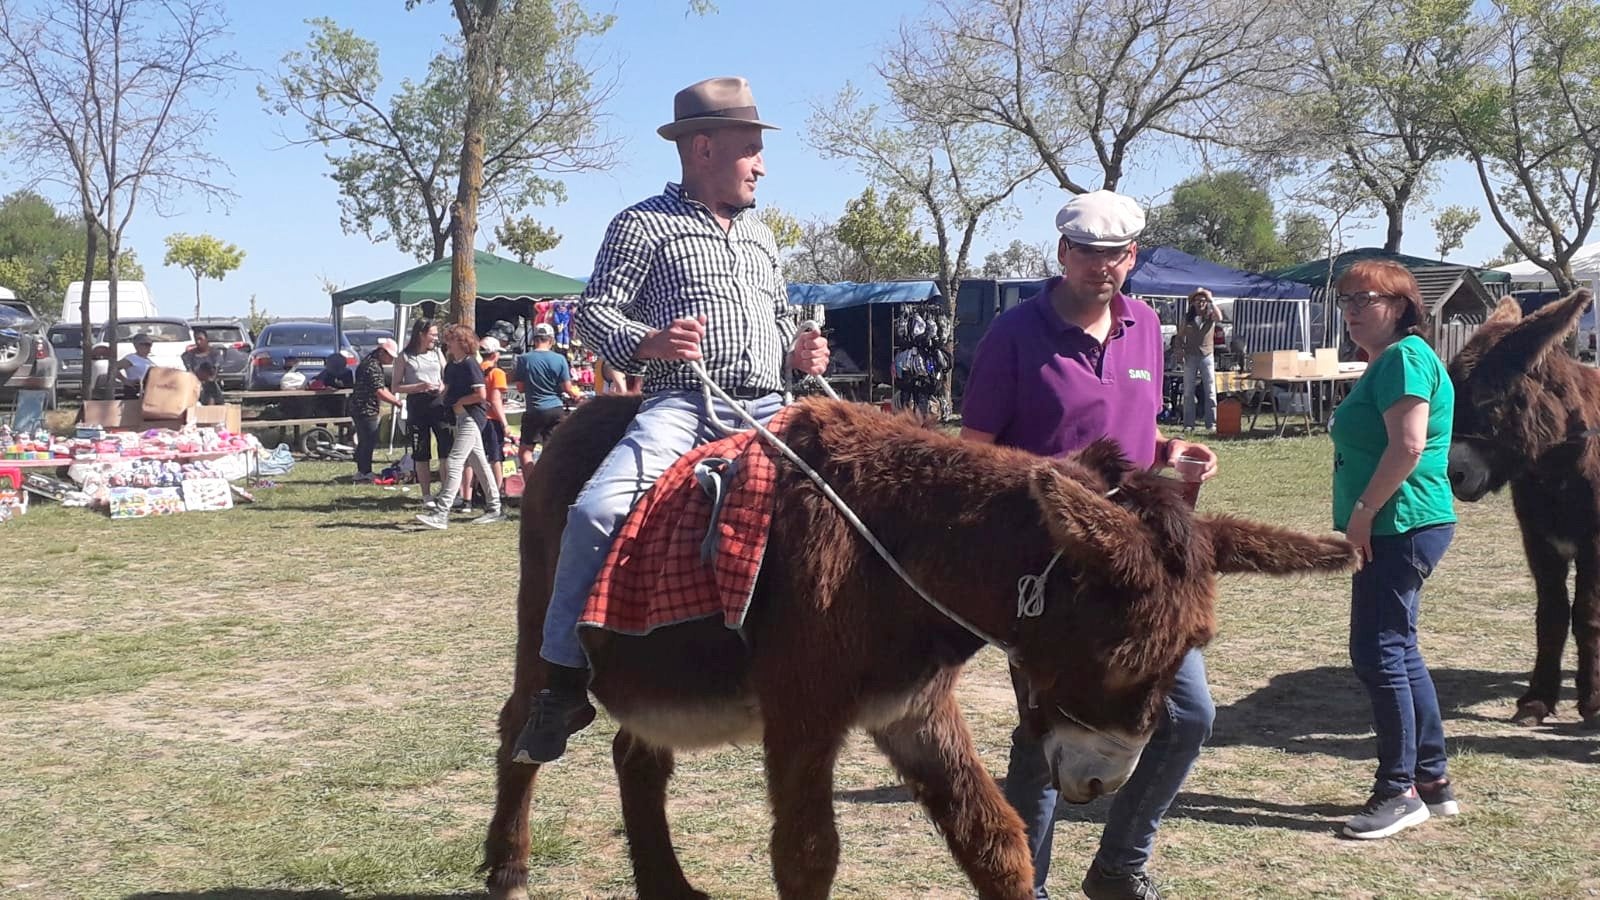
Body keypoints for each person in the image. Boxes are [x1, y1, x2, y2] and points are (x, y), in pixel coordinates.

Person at [510, 75, 829, 765]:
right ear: (704, 147)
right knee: (595, 512)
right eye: (751, 149)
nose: (762, 165)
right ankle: (562, 682)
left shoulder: (764, 240)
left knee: (847, 501)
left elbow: (775, 325)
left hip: (769, 405)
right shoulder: (642, 224)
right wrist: (649, 343)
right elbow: (595, 312)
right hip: (681, 404)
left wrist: (800, 354)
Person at [960, 190, 1218, 900]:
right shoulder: (1014, 335)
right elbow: (975, 454)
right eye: (1090, 254)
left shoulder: (1146, 328)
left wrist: (1173, 448)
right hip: (1047, 574)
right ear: (1063, 253)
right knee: (1047, 735)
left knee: (1189, 716)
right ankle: (1023, 889)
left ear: (1132, 257)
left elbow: (1133, 434)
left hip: (1136, 567)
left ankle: (1117, 869)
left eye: (1119, 255)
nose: (1104, 268)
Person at [1329, 260, 1458, 840]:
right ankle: (1431, 779)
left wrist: (1361, 515)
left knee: (1377, 651)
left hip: (1397, 525)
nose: (1354, 309)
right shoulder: (1391, 360)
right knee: (1400, 648)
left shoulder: (1405, 358)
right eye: (1346, 300)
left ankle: (1398, 790)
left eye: (1367, 298)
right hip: (1402, 523)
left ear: (1402, 305)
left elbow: (1406, 448)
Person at [415, 324, 504, 529]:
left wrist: (459, 402)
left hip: (473, 417)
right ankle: (495, 508)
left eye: (451, 338)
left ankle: (441, 512)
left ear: (462, 342)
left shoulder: (470, 364)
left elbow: (481, 395)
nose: (447, 342)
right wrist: (438, 401)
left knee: (455, 461)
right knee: (479, 461)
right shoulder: (452, 365)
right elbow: (446, 390)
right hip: (460, 417)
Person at [392, 319, 452, 500]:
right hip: (417, 405)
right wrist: (418, 386)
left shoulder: (437, 353)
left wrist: (442, 387)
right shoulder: (405, 356)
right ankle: (426, 494)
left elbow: (446, 375)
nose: (435, 338)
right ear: (421, 334)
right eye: (432, 334)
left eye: (436, 334)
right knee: (421, 450)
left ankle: (446, 491)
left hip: (438, 403)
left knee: (445, 448)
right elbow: (395, 387)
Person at [514, 322, 583, 472]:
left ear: (534, 339)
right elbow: (568, 388)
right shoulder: (560, 359)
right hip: (555, 409)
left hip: (534, 409)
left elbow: (520, 388)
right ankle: (549, 488)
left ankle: (531, 489)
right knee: (550, 452)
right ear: (551, 340)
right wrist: (578, 396)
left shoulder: (523, 359)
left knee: (526, 451)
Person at [463, 336, 511, 506]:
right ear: (494, 354)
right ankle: (496, 494)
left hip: (475, 417)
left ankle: (469, 494)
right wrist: (505, 423)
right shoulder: (497, 373)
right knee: (495, 458)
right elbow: (496, 400)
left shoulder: (473, 369)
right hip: (491, 419)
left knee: (473, 457)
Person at [350, 337, 404, 484]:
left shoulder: (369, 363)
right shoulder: (373, 367)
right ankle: (365, 471)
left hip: (359, 407)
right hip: (366, 408)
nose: (391, 359)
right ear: (381, 352)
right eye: (390, 356)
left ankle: (362, 470)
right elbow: (379, 391)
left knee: (364, 440)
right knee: (368, 440)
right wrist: (397, 402)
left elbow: (381, 386)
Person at [1176, 288, 1221, 431]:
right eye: (1197, 301)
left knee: (1210, 391)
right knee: (1188, 392)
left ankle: (1211, 424)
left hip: (1207, 355)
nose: (1200, 303)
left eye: (1203, 301)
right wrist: (1179, 350)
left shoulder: (1210, 316)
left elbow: (1219, 318)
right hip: (1190, 356)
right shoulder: (1187, 318)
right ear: (1193, 303)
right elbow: (1179, 335)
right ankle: (1189, 424)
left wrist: (1211, 300)